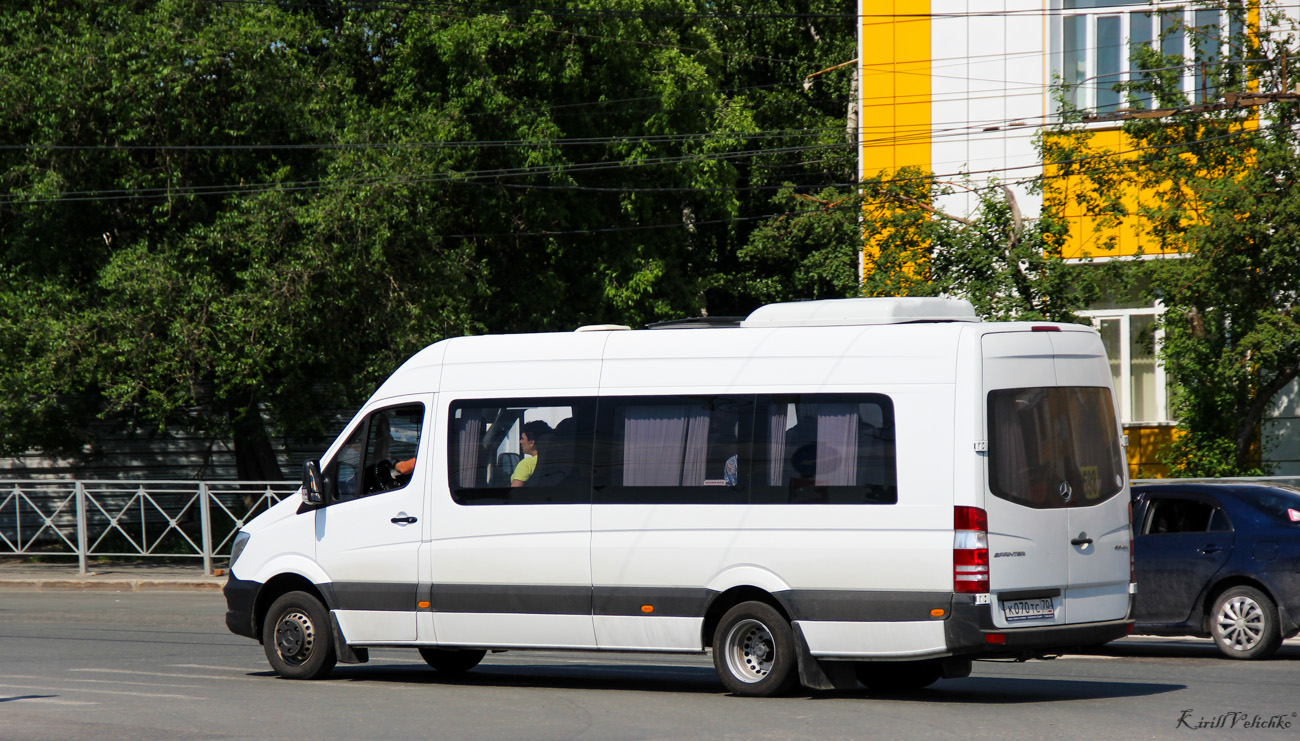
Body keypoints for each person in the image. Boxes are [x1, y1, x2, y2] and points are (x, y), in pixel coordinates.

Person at [511, 420, 551, 487]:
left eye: (522, 438)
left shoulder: (526, 464)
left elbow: (514, 491)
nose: (520, 442)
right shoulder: (556, 460)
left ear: (532, 443)